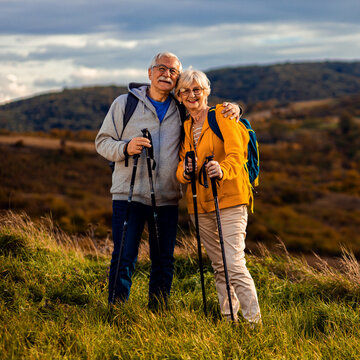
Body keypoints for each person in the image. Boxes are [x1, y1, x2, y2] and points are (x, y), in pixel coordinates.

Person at [95, 52, 240, 308]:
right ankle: (116, 311)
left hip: (167, 197)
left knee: (163, 260)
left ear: (177, 80)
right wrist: (126, 147)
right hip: (128, 195)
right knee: (124, 257)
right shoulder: (124, 104)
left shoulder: (180, 108)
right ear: (149, 72)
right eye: (161, 68)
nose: (167, 74)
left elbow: (203, 110)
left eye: (173, 71)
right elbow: (102, 142)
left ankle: (158, 312)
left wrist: (237, 109)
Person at [176, 69, 262, 325]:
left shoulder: (222, 115)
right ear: (179, 97)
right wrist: (186, 171)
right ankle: (229, 319)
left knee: (233, 264)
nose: (192, 95)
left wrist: (223, 170)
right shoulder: (187, 125)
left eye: (197, 90)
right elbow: (181, 167)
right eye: (186, 91)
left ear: (206, 92)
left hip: (230, 200)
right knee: (219, 267)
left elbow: (238, 154)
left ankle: (254, 323)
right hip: (199, 205)